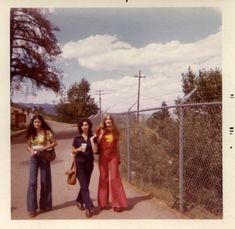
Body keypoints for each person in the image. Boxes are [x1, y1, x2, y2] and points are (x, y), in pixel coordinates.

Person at [25, 115, 57, 218]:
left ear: (41, 122)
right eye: (35, 122)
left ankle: (45, 205)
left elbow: (55, 143)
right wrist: (31, 152)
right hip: (34, 158)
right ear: (33, 123)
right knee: (32, 182)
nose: (36, 124)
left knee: (45, 181)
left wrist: (44, 148)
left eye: (38, 122)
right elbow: (28, 146)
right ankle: (32, 208)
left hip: (44, 157)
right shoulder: (31, 133)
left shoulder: (47, 132)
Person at [96, 114, 128, 212]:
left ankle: (118, 203)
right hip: (103, 156)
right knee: (103, 178)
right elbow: (96, 143)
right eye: (106, 119)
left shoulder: (115, 131)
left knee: (115, 178)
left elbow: (117, 146)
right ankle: (103, 202)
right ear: (104, 121)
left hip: (113, 155)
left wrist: (119, 157)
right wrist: (101, 134)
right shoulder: (99, 130)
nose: (108, 121)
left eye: (110, 119)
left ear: (112, 121)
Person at [71, 118, 98, 218]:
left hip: (89, 164)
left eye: (86, 125)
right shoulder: (77, 138)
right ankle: (89, 207)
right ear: (80, 127)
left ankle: (79, 200)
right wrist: (78, 149)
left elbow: (95, 151)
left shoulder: (93, 137)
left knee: (84, 185)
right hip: (79, 164)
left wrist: (92, 140)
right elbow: (72, 152)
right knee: (84, 186)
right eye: (82, 125)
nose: (84, 127)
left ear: (89, 126)